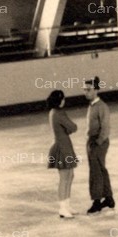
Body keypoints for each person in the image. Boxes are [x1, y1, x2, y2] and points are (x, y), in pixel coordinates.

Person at [82, 77, 115, 215]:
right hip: (93, 141)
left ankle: (97, 202)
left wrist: (98, 142)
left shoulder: (101, 106)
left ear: (96, 90)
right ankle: (109, 198)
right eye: (84, 90)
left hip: (98, 142)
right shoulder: (92, 105)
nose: (86, 92)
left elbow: (105, 128)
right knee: (100, 170)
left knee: (95, 172)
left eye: (89, 90)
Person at [45, 89, 78, 219]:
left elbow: (69, 128)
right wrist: (68, 128)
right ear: (59, 101)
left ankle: (67, 205)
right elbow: (73, 127)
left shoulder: (55, 112)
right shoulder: (57, 113)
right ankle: (62, 208)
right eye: (63, 98)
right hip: (62, 147)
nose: (64, 101)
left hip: (65, 146)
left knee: (70, 175)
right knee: (64, 177)